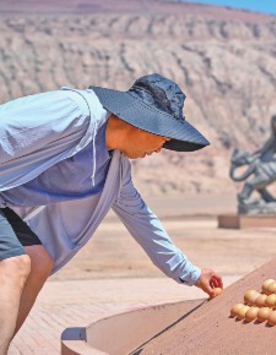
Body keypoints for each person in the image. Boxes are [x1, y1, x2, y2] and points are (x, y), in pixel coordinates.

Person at [0, 73, 223, 354]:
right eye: (163, 138)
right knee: (15, 263)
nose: (160, 149)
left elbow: (142, 220)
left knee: (37, 262)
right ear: (141, 122)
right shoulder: (75, 112)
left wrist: (191, 273)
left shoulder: (114, 172)